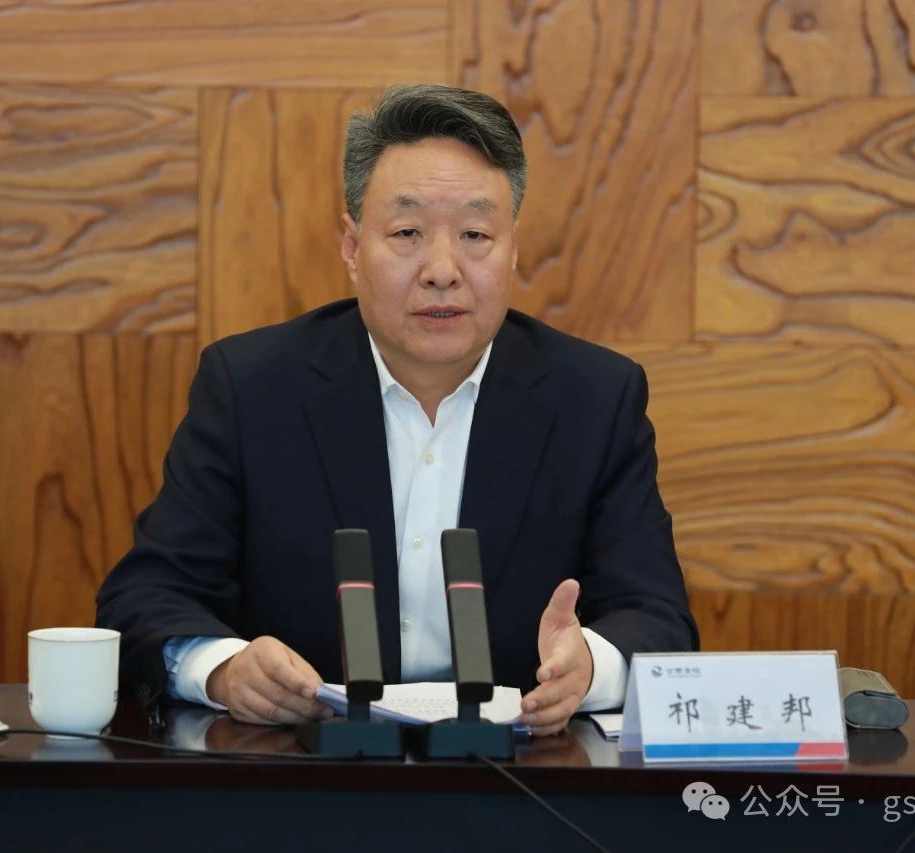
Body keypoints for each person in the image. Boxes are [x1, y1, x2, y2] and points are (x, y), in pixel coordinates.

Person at [96, 84, 698, 736]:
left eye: (475, 234)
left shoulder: (594, 398)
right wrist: (222, 669)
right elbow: (146, 596)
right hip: (300, 765)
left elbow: (656, 615)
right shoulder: (252, 387)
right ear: (353, 248)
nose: (442, 269)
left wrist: (590, 667)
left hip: (521, 773)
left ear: (514, 249)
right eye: (408, 233)